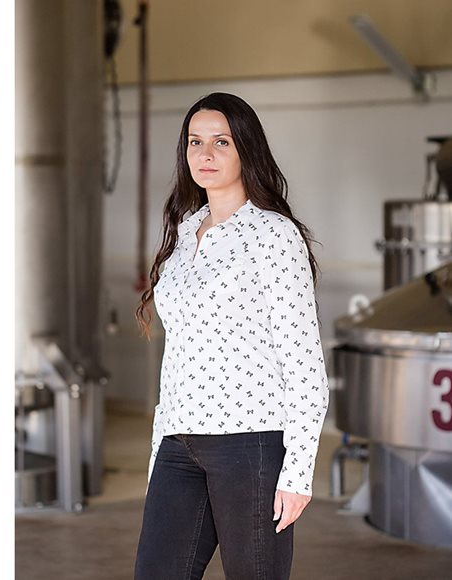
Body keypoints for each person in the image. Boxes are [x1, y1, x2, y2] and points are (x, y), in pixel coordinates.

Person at [133, 93, 329, 579]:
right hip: (180, 442)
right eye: (195, 142)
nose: (206, 154)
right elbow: (176, 352)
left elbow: (303, 362)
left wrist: (298, 472)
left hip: (251, 443)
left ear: (246, 149)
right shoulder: (183, 233)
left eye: (221, 142)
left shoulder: (273, 235)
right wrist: (160, 447)